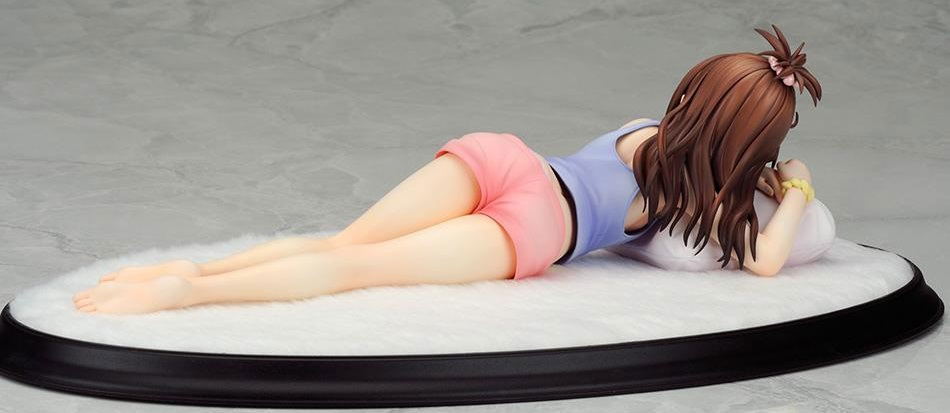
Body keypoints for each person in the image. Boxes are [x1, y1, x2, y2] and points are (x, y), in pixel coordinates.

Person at [72, 25, 829, 315]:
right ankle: (188, 295)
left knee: (343, 243)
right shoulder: (692, 198)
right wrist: (792, 185)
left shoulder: (648, 131)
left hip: (506, 156)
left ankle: (190, 272)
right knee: (357, 270)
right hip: (539, 226)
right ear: (750, 143)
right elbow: (765, 261)